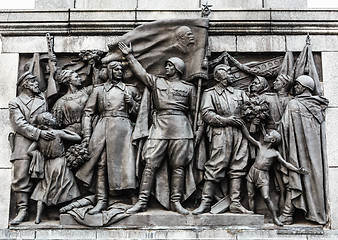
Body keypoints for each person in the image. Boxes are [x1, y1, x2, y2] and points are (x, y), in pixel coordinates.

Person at [118, 42, 196, 215]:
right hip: (160, 126)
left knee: (178, 166)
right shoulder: (156, 81)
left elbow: (194, 111)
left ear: (177, 69)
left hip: (181, 128)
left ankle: (176, 202)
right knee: (150, 163)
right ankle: (142, 201)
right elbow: (141, 74)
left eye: (169, 66)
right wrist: (130, 56)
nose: (166, 68)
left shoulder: (189, 88)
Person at [76, 61, 141, 214]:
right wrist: (86, 135)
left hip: (123, 129)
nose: (119, 71)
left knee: (127, 165)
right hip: (103, 128)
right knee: (101, 164)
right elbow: (88, 113)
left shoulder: (131, 90)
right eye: (116, 69)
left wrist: (132, 104)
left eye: (121, 69)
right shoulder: (99, 90)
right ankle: (101, 201)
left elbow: (143, 113)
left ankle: (134, 199)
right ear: (109, 72)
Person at [193, 64, 252, 215]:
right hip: (220, 132)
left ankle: (235, 203)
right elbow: (206, 113)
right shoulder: (210, 93)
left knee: (239, 166)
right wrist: (226, 120)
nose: (232, 75)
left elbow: (250, 110)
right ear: (220, 76)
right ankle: (205, 203)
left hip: (240, 132)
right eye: (229, 72)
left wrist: (255, 116)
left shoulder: (240, 93)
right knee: (215, 165)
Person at [278, 75, 329, 225]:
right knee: (313, 178)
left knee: (295, 177)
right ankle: (316, 212)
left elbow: (284, 127)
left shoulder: (294, 104)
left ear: (304, 87)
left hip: (297, 149)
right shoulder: (317, 104)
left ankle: (287, 214)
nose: (295, 88)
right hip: (315, 152)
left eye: (298, 85)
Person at [8, 72, 54, 225]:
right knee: (21, 176)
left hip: (44, 143)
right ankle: (22, 210)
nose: (37, 85)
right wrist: (39, 133)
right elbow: (19, 124)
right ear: (25, 84)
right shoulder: (16, 102)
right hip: (24, 142)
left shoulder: (41, 98)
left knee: (46, 174)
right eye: (33, 82)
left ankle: (46, 208)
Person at [240, 125, 308, 226]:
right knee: (251, 195)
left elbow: (286, 164)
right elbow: (248, 136)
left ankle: (275, 218)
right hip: (252, 172)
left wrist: (297, 170)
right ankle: (252, 217)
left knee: (266, 197)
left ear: (272, 140)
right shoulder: (259, 145)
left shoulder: (275, 153)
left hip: (263, 175)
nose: (266, 135)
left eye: (268, 135)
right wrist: (241, 125)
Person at [29, 112, 81, 224]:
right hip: (60, 163)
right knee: (69, 185)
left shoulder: (39, 137)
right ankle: (76, 209)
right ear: (47, 122)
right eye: (52, 117)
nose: (54, 118)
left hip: (47, 165)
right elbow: (77, 137)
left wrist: (38, 154)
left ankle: (38, 217)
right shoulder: (58, 133)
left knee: (43, 189)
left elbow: (30, 151)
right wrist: (65, 131)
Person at [52, 70, 93, 137]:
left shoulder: (86, 91)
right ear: (69, 81)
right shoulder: (61, 102)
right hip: (72, 133)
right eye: (76, 77)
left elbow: (98, 85)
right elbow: (55, 124)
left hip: (90, 127)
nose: (79, 79)